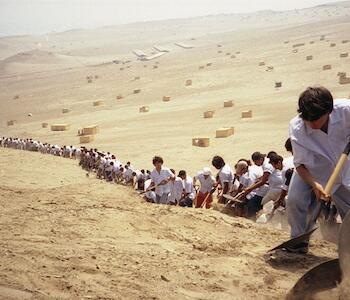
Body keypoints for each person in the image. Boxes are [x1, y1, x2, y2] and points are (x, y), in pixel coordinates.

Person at [287, 86, 350, 253]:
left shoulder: (346, 111)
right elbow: (300, 164)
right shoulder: (297, 127)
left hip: (343, 169)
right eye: (308, 119)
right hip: (310, 168)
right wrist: (315, 185)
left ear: (329, 111)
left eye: (316, 119)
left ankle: (347, 252)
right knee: (294, 199)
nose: (312, 124)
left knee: (349, 213)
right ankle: (298, 241)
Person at [240, 152, 272, 219]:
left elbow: (263, 181)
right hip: (268, 185)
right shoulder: (264, 164)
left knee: (253, 203)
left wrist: (249, 188)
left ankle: (251, 219)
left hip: (271, 187)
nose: (255, 164)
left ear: (260, 159)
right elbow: (264, 177)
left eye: (255, 162)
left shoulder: (266, 165)